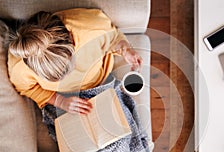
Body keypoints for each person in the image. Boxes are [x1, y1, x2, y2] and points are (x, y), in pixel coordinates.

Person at [8, 8, 143, 114]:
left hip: (101, 84)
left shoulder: (92, 28)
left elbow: (113, 38)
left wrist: (125, 49)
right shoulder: (19, 67)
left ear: (72, 38)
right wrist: (60, 101)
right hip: (64, 100)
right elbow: (28, 89)